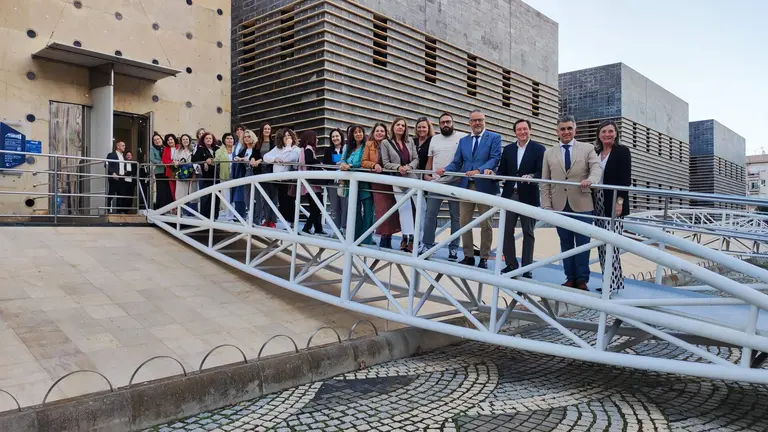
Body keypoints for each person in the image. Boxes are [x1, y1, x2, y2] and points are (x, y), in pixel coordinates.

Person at [541, 114, 602, 290]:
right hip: (559, 204)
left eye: (569, 128)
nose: (566, 132)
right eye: (562, 129)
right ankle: (570, 277)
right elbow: (545, 181)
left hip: (582, 202)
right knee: (566, 243)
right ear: (557, 131)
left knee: (583, 242)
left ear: (575, 129)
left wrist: (592, 180)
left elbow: (596, 167)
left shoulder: (587, 148)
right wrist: (546, 206)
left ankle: (582, 279)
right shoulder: (548, 153)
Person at [436, 109, 501, 269]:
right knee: (464, 222)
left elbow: (495, 158)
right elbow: (457, 162)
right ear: (469, 123)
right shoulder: (464, 141)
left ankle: (484, 257)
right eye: (474, 120)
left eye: (480, 120)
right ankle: (468, 256)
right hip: (466, 185)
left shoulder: (494, 138)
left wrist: (479, 170)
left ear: (484, 121)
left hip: (485, 186)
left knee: (486, 223)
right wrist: (446, 169)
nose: (477, 123)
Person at [498, 119, 546, 276]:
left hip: (529, 195)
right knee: (506, 231)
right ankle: (511, 264)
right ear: (515, 132)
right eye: (519, 129)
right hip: (510, 194)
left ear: (530, 130)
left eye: (525, 129)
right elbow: (502, 171)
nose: (522, 132)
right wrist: (492, 174)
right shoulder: (508, 149)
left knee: (528, 232)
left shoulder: (539, 149)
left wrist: (532, 176)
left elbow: (542, 172)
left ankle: (527, 268)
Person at [593, 120, 631, 294]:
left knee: (612, 244)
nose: (607, 134)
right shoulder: (596, 152)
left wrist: (620, 203)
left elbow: (625, 179)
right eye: (603, 132)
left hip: (614, 201)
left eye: (610, 131)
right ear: (599, 134)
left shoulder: (622, 151)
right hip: (598, 201)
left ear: (615, 133)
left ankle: (613, 283)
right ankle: (609, 281)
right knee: (601, 244)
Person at [421, 113, 463, 261]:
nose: (446, 124)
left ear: (453, 123)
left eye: (448, 122)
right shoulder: (434, 139)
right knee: (430, 215)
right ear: (439, 125)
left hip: (456, 182)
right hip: (437, 183)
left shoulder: (462, 137)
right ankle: (427, 244)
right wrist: (426, 175)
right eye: (443, 122)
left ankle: (453, 248)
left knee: (456, 217)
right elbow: (430, 160)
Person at [380, 117, 419, 252]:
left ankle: (419, 238)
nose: (400, 127)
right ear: (393, 126)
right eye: (398, 125)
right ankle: (407, 238)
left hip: (412, 177)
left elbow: (416, 159)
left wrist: (409, 166)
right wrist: (398, 167)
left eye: (403, 125)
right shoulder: (386, 143)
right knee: (404, 208)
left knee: (421, 207)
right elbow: (385, 162)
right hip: (397, 179)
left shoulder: (410, 142)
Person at [362, 122, 401, 249]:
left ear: (386, 133)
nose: (379, 133)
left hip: (390, 179)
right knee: (381, 209)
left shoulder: (390, 144)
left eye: (382, 131)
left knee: (391, 210)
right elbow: (364, 161)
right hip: (377, 181)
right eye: (377, 131)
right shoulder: (369, 144)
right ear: (373, 133)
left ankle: (388, 237)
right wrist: (374, 165)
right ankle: (383, 237)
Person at [340, 125, 374, 245]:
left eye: (360, 132)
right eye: (355, 132)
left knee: (368, 212)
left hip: (365, 184)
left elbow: (365, 161)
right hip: (352, 184)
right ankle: (356, 238)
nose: (358, 134)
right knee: (355, 211)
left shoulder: (367, 145)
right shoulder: (348, 148)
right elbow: (343, 159)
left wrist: (351, 166)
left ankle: (367, 239)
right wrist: (343, 165)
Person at [263, 128, 300, 223]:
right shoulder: (277, 148)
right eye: (285, 135)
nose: (287, 137)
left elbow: (287, 158)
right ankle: (288, 223)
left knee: (289, 203)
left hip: (289, 181)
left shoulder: (295, 149)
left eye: (289, 135)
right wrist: (274, 159)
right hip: (278, 180)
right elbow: (265, 157)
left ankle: (292, 224)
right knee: (282, 204)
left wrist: (288, 146)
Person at [297, 130, 325, 235]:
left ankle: (318, 228)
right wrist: (319, 163)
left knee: (314, 206)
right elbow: (309, 161)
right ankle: (307, 228)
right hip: (312, 182)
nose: (317, 140)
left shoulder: (302, 150)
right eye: (316, 138)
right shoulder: (308, 149)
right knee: (318, 205)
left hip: (306, 182)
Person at [233, 130, 263, 221]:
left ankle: (257, 219)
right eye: (245, 137)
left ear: (252, 137)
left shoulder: (257, 148)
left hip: (256, 173)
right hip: (246, 174)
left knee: (258, 197)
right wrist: (239, 158)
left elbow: (261, 158)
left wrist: (243, 159)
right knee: (247, 197)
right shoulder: (244, 150)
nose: (246, 138)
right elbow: (236, 157)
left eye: (248, 137)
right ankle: (251, 215)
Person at [322, 128, 348, 234]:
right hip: (332, 182)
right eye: (333, 137)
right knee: (334, 206)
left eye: (337, 136)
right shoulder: (328, 150)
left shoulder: (346, 149)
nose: (335, 138)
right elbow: (326, 164)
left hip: (343, 181)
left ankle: (344, 228)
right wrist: (337, 165)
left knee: (344, 205)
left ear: (341, 137)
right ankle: (336, 231)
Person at [193, 132, 219, 220]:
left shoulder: (217, 149)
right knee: (205, 197)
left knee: (216, 197)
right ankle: (204, 216)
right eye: (206, 138)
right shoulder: (201, 149)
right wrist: (204, 161)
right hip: (205, 176)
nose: (208, 140)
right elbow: (194, 159)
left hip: (216, 176)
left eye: (210, 138)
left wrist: (211, 159)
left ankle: (215, 216)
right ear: (203, 140)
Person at [414, 117, 434, 232]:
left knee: (426, 209)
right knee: (414, 209)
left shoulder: (433, 140)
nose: (421, 129)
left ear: (428, 128)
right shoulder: (412, 141)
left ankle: (424, 237)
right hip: (413, 178)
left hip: (426, 178)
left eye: (424, 127)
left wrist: (427, 174)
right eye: (419, 127)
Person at [257, 122, 277, 227]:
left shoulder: (274, 143)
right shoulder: (258, 143)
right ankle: (266, 219)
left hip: (271, 171)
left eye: (269, 129)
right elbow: (254, 155)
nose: (267, 130)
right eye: (265, 129)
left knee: (273, 196)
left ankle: (272, 221)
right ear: (262, 130)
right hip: (261, 171)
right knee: (264, 197)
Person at [214, 132, 237, 222]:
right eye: (227, 138)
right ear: (224, 140)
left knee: (236, 197)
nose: (229, 140)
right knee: (227, 197)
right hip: (225, 176)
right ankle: (229, 216)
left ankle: (236, 215)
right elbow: (216, 160)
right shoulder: (219, 151)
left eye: (231, 138)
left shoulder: (237, 149)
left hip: (236, 175)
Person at [150, 132, 173, 209]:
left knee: (168, 190)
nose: (157, 141)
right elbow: (152, 159)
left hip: (168, 171)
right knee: (161, 191)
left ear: (161, 139)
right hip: (159, 171)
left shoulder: (166, 147)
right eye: (155, 140)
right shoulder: (152, 149)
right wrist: (162, 163)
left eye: (158, 139)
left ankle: (169, 208)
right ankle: (160, 208)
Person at [172, 134, 196, 205]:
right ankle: (181, 209)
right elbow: (174, 160)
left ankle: (191, 210)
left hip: (191, 173)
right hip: (181, 173)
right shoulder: (178, 150)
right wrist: (176, 162)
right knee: (181, 192)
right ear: (181, 141)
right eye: (183, 139)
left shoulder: (193, 150)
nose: (185, 141)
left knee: (191, 191)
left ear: (189, 140)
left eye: (186, 139)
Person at [106, 141, 127, 214]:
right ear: (118, 146)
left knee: (121, 194)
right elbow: (107, 164)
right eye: (123, 145)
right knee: (111, 193)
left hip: (121, 177)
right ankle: (108, 210)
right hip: (114, 177)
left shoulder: (122, 156)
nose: (124, 147)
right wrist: (112, 173)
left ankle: (119, 211)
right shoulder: (112, 155)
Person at [162, 134, 178, 200]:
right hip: (170, 172)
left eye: (171, 139)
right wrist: (171, 162)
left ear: (174, 140)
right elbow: (164, 160)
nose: (170, 141)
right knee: (173, 190)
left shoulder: (179, 147)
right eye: (168, 140)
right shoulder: (166, 149)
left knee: (179, 189)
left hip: (180, 171)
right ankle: (175, 206)